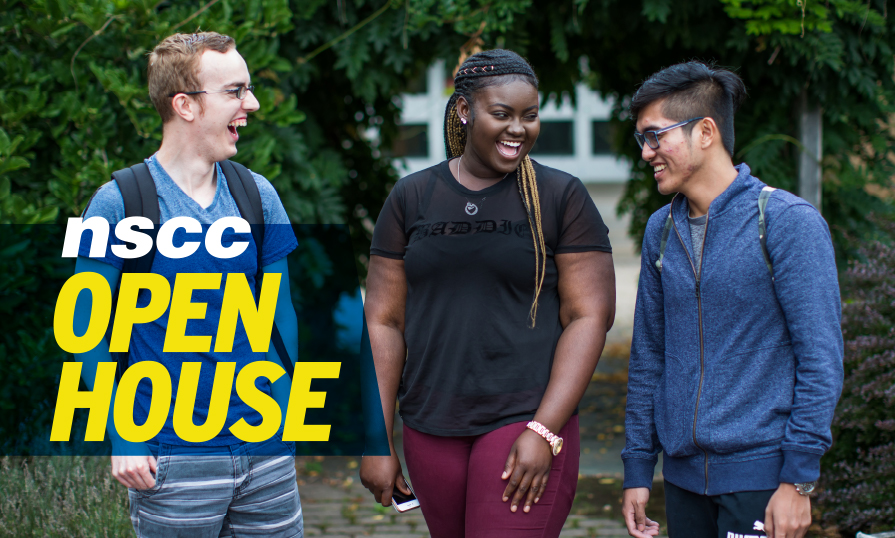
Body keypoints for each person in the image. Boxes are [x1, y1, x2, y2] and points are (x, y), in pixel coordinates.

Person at [359, 49, 616, 538]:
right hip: (430, 423)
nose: (518, 128)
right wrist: (377, 437)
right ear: (464, 111)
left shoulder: (561, 196)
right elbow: (383, 322)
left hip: (525, 419)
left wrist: (545, 429)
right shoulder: (411, 197)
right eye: (502, 114)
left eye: (530, 115)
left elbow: (590, 316)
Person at [71, 32, 303, 537]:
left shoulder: (256, 195)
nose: (252, 104)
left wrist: (286, 408)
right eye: (235, 91)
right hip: (171, 459)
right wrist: (122, 433)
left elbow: (280, 316)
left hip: (264, 450)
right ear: (185, 105)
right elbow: (84, 328)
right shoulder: (119, 203)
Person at [621, 62, 844, 538]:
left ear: (705, 131)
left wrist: (798, 480)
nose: (646, 152)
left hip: (761, 479)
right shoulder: (661, 230)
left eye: (656, 136)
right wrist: (639, 469)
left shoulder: (786, 222)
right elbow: (648, 357)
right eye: (641, 139)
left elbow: (821, 361)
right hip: (682, 481)